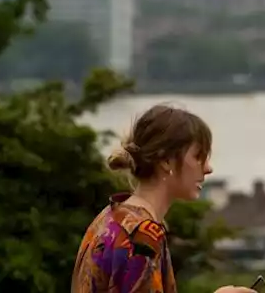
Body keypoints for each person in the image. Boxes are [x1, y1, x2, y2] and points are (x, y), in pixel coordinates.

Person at [72, 104, 254, 293]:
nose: (208, 168)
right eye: (198, 156)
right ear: (166, 161)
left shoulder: (109, 217)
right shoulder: (142, 237)